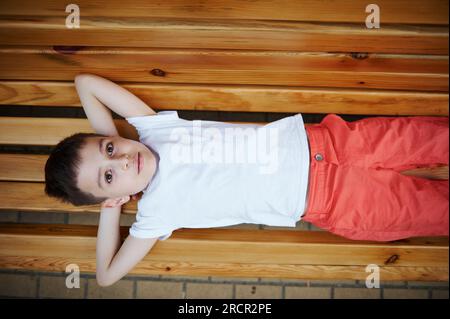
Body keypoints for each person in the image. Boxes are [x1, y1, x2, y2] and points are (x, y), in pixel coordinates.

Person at [44, 73, 449, 286]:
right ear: (113, 196)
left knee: (432, 137)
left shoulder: (153, 130)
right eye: (109, 176)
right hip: (335, 200)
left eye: (110, 149)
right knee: (435, 211)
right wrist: (110, 207)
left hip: (335, 142)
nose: (124, 159)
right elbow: (106, 275)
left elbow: (86, 84)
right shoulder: (154, 215)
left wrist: (113, 152)